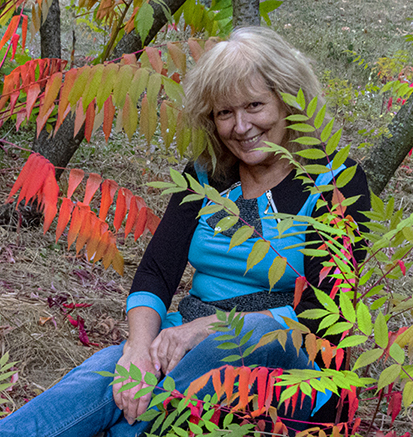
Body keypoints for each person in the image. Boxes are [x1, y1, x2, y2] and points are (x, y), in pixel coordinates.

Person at [0, 27, 370, 436]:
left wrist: (208, 328)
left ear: (287, 100)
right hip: (186, 342)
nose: (241, 126)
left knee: (256, 335)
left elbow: (326, 314)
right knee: (108, 371)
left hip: (292, 362)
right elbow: (156, 272)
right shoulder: (206, 174)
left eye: (255, 105)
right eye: (224, 113)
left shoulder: (336, 182)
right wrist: (138, 352)